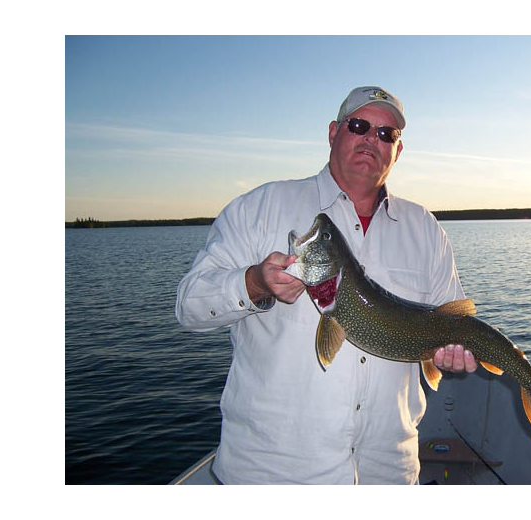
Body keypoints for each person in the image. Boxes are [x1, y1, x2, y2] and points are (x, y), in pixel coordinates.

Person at [175, 86, 476, 484]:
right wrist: (254, 283)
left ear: (397, 152)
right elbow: (189, 305)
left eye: (387, 134)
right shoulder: (261, 207)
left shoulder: (425, 229)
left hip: (389, 470)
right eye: (359, 126)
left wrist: (451, 355)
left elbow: (451, 322)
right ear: (334, 132)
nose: (372, 139)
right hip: (273, 471)